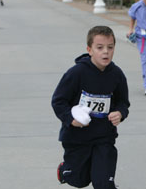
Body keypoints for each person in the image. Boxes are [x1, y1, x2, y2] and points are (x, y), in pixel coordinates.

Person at [52, 26, 130, 189]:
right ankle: (65, 169)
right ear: (89, 49)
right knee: (78, 180)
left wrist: (120, 113)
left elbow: (123, 102)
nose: (106, 52)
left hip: (104, 138)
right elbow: (58, 101)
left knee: (103, 184)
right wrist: (71, 119)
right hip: (76, 138)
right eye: (100, 47)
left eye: (110, 47)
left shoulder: (117, 75)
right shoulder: (76, 73)